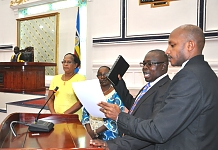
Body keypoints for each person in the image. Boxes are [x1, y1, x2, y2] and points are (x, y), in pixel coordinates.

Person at [91, 24, 218, 150]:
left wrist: (119, 116)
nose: (167, 51)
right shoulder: (205, 73)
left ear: (190, 45)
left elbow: (158, 130)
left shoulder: (188, 77)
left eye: (172, 45)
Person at [90, 50, 171, 149]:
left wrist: (111, 144)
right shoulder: (150, 86)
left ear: (163, 66)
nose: (145, 67)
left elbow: (151, 131)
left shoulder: (166, 89)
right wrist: (118, 82)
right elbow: (134, 106)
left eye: (150, 64)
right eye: (144, 64)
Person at [82, 66, 126, 140]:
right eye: (100, 75)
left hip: (110, 135)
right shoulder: (92, 92)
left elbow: (117, 116)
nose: (103, 77)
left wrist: (96, 132)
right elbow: (85, 112)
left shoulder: (117, 93)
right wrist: (89, 131)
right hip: (90, 134)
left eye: (106, 74)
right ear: (97, 77)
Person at [47, 53, 85, 121]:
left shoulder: (80, 79)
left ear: (75, 65)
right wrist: (53, 114)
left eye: (69, 62)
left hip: (73, 118)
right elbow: (50, 99)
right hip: (56, 118)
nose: (65, 64)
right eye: (64, 62)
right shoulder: (55, 78)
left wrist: (64, 114)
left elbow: (81, 101)